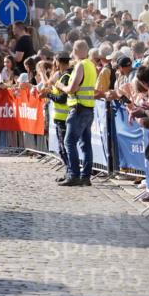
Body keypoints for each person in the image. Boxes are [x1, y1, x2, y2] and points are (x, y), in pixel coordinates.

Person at [55, 39, 97, 186]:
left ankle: (74, 175)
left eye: (73, 50)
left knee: (69, 142)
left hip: (78, 109)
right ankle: (85, 177)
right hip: (88, 108)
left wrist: (61, 85)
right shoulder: (91, 65)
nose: (72, 53)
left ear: (77, 50)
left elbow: (72, 88)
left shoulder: (81, 65)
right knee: (86, 144)